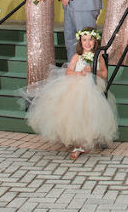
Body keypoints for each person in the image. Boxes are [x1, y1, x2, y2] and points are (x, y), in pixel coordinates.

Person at [25, 28, 117, 160]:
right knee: (73, 109)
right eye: (84, 40)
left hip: (92, 84)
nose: (87, 43)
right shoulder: (77, 56)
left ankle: (86, 140)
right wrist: (78, 73)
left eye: (90, 40)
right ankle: (78, 141)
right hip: (76, 83)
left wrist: (92, 71)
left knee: (87, 110)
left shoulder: (99, 57)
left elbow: (104, 74)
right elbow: (68, 71)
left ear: (95, 41)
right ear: (80, 42)